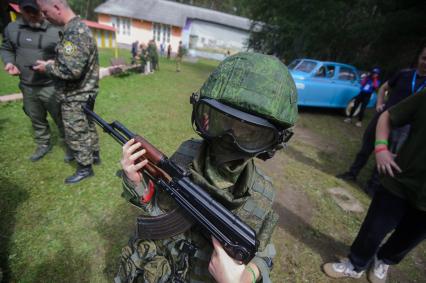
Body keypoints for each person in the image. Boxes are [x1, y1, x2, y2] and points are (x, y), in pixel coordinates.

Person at [115, 52, 298, 283]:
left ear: (272, 141)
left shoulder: (261, 196)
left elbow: (262, 253)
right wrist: (137, 182)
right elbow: (161, 206)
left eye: (251, 133)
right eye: (222, 120)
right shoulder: (186, 155)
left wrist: (244, 277)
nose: (230, 137)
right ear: (203, 115)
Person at [323, 89, 426, 283]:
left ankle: (383, 259)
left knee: (408, 240)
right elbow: (388, 115)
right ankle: (355, 264)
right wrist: (380, 147)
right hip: (399, 181)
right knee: (374, 229)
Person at [336, 45, 426, 189]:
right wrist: (379, 104)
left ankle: (372, 185)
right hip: (383, 119)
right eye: (424, 58)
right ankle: (352, 173)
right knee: (366, 149)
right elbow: (384, 88)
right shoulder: (404, 74)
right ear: (419, 58)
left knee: (387, 156)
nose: (425, 63)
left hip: (403, 128)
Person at [34, 0, 100, 184]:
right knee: (87, 126)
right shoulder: (78, 28)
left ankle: (85, 168)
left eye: (45, 12)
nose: (44, 16)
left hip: (76, 94)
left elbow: (71, 71)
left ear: (56, 7)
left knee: (76, 131)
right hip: (86, 91)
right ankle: (93, 155)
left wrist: (47, 67)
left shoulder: (74, 32)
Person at [0, 0, 64, 161]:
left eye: (35, 11)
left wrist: (53, 65)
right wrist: (9, 62)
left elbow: (69, 55)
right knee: (35, 116)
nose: (31, 15)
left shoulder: (55, 29)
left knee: (61, 116)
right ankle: (43, 144)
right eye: (27, 11)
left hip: (51, 85)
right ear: (20, 10)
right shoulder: (12, 28)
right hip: (27, 86)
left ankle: (68, 142)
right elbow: (7, 48)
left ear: (42, 10)